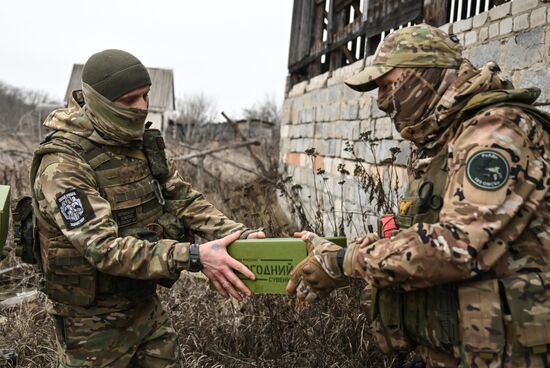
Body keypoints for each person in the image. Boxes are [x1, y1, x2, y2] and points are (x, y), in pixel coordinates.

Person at [287, 24, 549, 367]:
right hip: (458, 349)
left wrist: (345, 261)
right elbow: (416, 236)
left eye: (385, 84)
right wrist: (338, 253)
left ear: (421, 75)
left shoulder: (495, 135)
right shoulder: (447, 141)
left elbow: (454, 247)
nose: (381, 101)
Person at [31, 49, 265, 367]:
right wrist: (194, 256)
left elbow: (183, 198)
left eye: (145, 96)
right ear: (99, 101)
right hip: (89, 324)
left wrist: (238, 234)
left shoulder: (140, 143)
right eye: (129, 100)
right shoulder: (62, 163)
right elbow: (103, 247)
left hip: (144, 306)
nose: (141, 107)